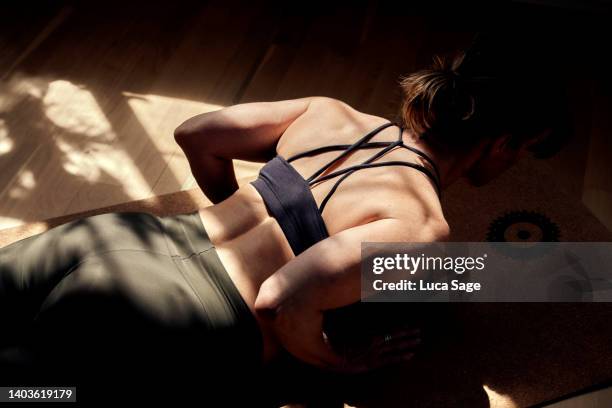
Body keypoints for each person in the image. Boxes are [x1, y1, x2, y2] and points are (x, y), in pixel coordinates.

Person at [0, 47, 567, 405]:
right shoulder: (419, 222)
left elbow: (198, 134)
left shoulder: (331, 113)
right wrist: (337, 362)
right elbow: (277, 300)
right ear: (501, 144)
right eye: (524, 151)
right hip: (167, 323)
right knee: (32, 394)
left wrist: (240, 211)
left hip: (128, 238)